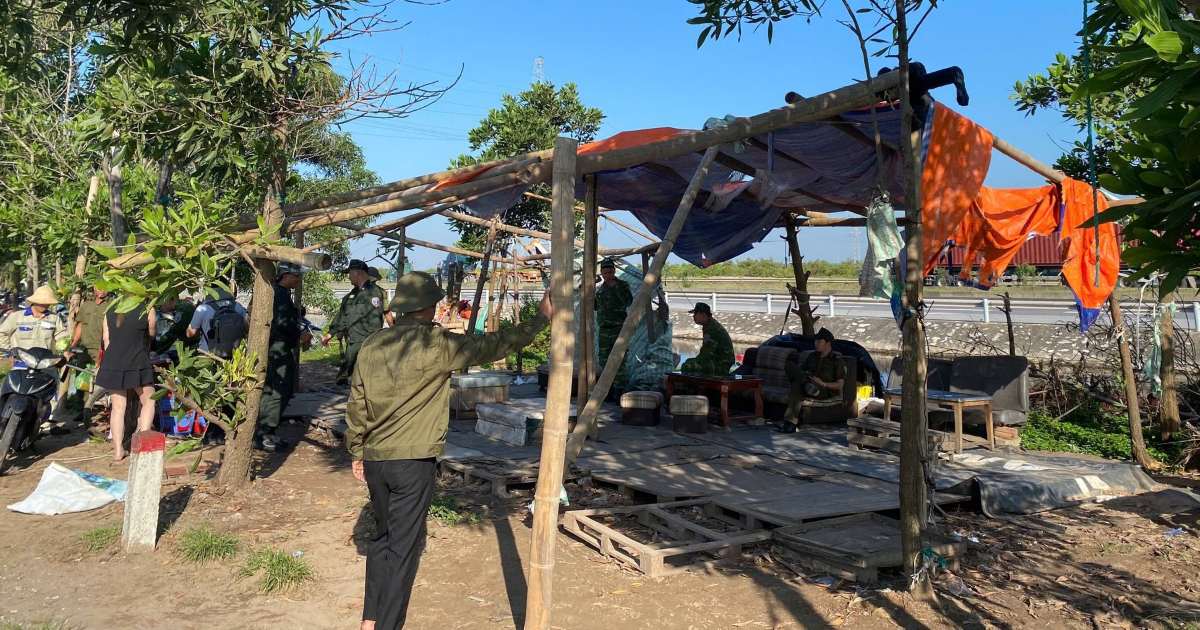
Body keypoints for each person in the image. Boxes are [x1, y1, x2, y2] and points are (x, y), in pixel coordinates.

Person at [347, 271, 551, 630]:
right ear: (429, 307)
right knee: (404, 549)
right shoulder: (437, 344)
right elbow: (494, 345)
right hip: (413, 461)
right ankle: (386, 625)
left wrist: (357, 450)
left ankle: (369, 619)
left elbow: (357, 403)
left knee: (382, 538)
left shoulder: (372, 345)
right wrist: (539, 319)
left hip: (377, 458)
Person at [97, 302, 157, 462]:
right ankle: (142, 448)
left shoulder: (110, 308)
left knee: (118, 407)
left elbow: (106, 338)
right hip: (137, 359)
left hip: (113, 360)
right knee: (149, 401)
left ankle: (118, 451)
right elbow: (152, 334)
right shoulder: (147, 308)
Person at [257, 263, 304, 452]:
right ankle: (265, 433)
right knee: (277, 390)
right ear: (286, 275)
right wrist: (300, 334)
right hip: (278, 348)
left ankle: (267, 430)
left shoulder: (279, 293)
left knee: (279, 389)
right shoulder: (280, 295)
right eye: (296, 276)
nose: (298, 280)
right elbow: (283, 323)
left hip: (278, 348)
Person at [322, 259, 386, 385]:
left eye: (350, 273)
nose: (349, 277)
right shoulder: (351, 295)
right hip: (353, 341)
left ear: (358, 273)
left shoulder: (373, 293)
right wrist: (330, 334)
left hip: (367, 341)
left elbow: (374, 319)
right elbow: (342, 316)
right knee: (348, 374)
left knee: (366, 376)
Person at [780, 327, 845, 433]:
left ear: (828, 343)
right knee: (790, 366)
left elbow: (840, 385)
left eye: (819, 341)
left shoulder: (836, 360)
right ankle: (806, 386)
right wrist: (806, 378)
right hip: (809, 383)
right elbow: (800, 372)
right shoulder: (812, 356)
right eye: (815, 341)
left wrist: (823, 383)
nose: (816, 343)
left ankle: (790, 424)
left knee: (797, 385)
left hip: (823, 390)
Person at [0, 285, 67, 356]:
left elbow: (61, 335)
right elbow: (2, 333)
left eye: (47, 303)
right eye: (42, 302)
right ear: (34, 301)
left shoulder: (54, 318)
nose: (45, 305)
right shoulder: (17, 317)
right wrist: (8, 350)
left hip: (44, 360)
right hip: (20, 360)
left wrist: (63, 347)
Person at [595, 258, 633, 384]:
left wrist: (615, 287)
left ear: (614, 271)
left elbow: (628, 301)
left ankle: (619, 388)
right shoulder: (600, 289)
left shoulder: (622, 285)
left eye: (610, 272)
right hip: (604, 329)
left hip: (618, 328)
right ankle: (607, 387)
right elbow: (596, 306)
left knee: (619, 360)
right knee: (604, 359)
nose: (608, 276)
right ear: (602, 273)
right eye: (605, 273)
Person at [186, 287, 249, 356]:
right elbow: (247, 328)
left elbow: (190, 334)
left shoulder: (203, 309)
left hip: (208, 354)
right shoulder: (237, 306)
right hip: (235, 354)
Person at [679, 302, 734, 377]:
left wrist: (694, 361)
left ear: (703, 315)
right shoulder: (709, 325)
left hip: (721, 364)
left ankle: (689, 387)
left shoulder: (712, 329)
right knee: (690, 362)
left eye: (695, 314)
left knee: (688, 366)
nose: (693, 316)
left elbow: (707, 353)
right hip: (717, 361)